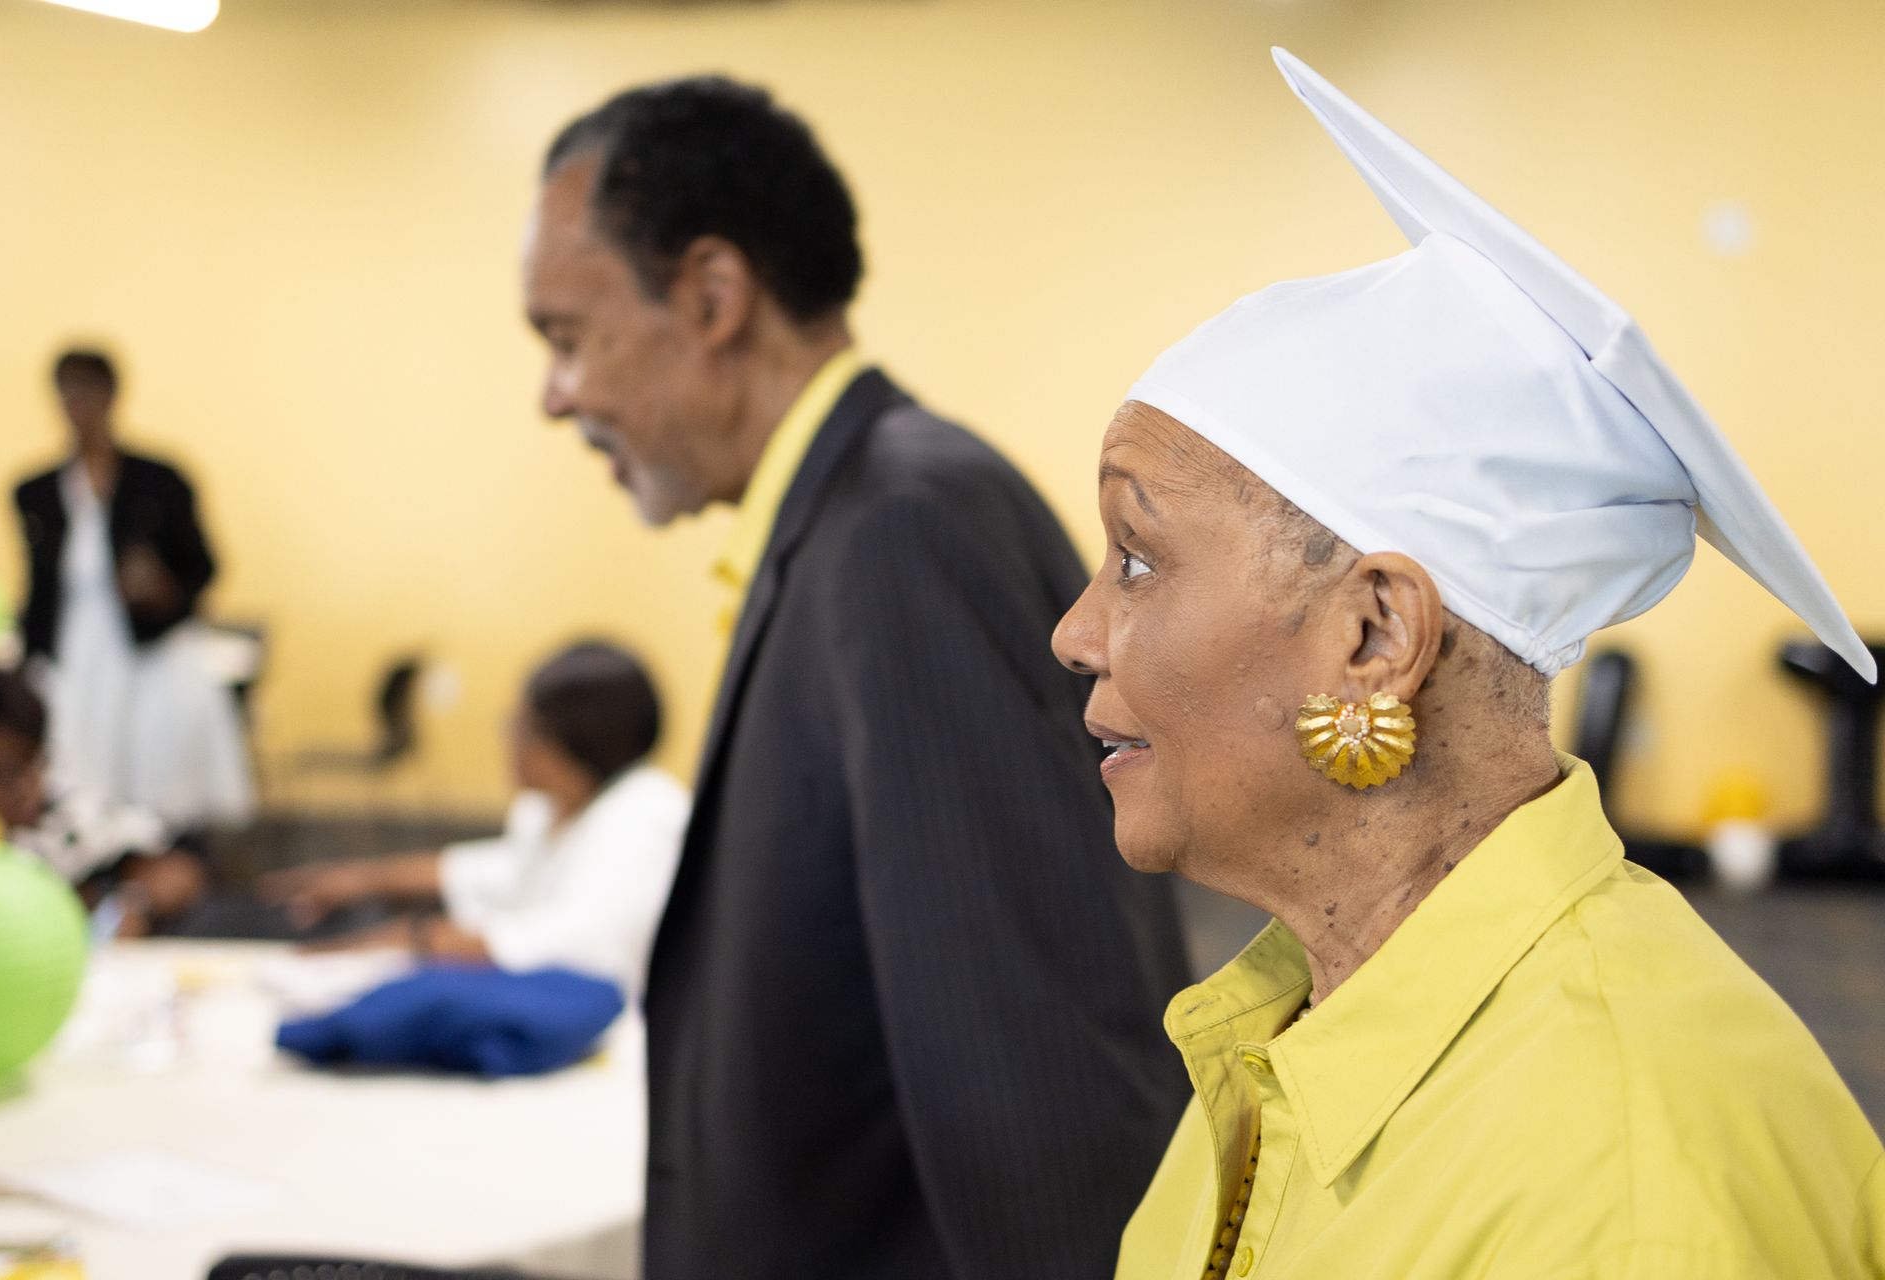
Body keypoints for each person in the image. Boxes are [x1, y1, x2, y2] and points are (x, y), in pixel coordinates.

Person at [1053, 50, 1885, 1280]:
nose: (1075, 630)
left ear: (1377, 636)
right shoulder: (1295, 1005)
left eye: (1135, 555)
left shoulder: (1631, 1201)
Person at [523, 77, 1190, 1278]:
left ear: (714, 297)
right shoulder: (836, 522)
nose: (556, 396)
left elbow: (1035, 1071)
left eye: (568, 339)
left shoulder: (902, 531)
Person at [261, 641, 686, 998]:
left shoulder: (645, 814)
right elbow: (500, 870)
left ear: (582, 740)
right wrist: (359, 880)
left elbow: (570, 942)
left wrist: (391, 942)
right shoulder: (552, 807)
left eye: (525, 728)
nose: (510, 741)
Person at [14, 349, 252, 830]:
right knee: (78, 762)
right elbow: (39, 586)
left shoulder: (159, 482)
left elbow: (203, 567)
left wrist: (165, 590)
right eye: (68, 391)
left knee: (155, 767)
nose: (77, 404)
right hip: (74, 649)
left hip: (148, 645)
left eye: (88, 390)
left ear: (111, 395)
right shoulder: (35, 492)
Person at [0, 661, 208, 936]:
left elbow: (179, 865)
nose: (28, 787)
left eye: (36, 762)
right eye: (4, 775)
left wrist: (133, 901)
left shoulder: (67, 821)